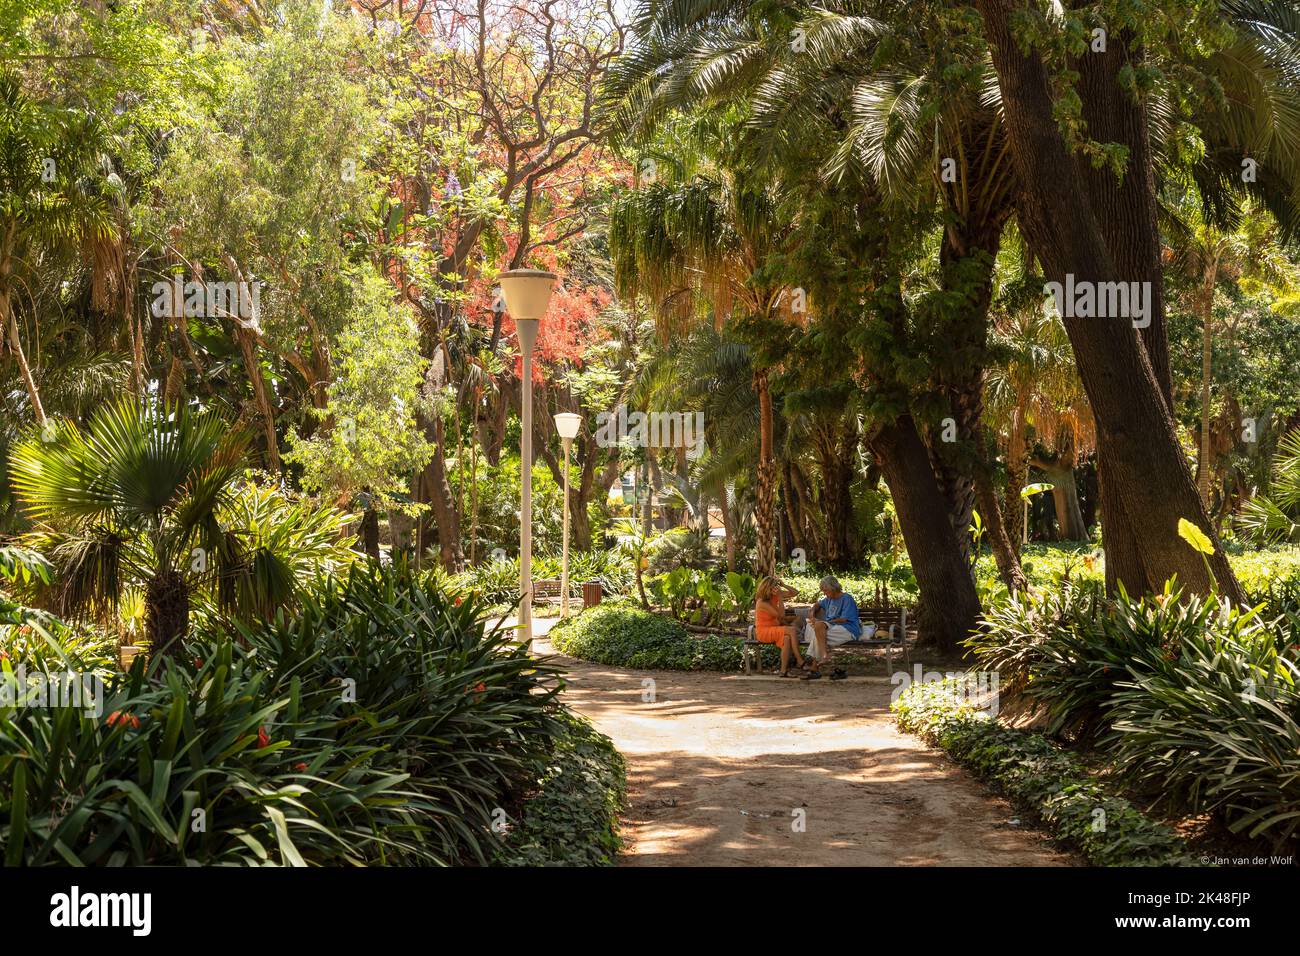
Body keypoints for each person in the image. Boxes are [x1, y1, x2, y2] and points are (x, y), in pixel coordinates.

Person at [805, 576, 866, 680]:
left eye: (826, 590)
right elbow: (817, 604)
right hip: (832, 628)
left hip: (848, 629)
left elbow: (844, 620)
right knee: (819, 631)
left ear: (833, 588)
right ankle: (822, 661)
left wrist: (825, 622)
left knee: (819, 632)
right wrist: (812, 611)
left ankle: (816, 667)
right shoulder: (828, 599)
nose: (824, 593)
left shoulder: (847, 599)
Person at [754, 576, 807, 678]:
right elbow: (781, 615)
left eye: (776, 587)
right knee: (791, 630)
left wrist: (784, 585)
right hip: (764, 631)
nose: (776, 589)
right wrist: (780, 598)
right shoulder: (762, 602)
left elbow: (795, 592)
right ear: (767, 588)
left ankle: (783, 671)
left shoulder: (774, 595)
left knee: (787, 638)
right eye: (773, 587)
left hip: (775, 628)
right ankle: (800, 660)